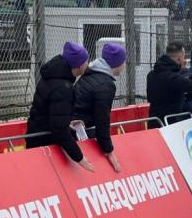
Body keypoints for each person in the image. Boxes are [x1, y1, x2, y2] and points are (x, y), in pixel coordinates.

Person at [26, 42, 94, 171]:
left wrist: (67, 121)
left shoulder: (53, 76)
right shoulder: (63, 87)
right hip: (45, 145)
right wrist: (79, 157)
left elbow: (49, 113)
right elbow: (58, 129)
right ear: (79, 65)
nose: (88, 64)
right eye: (86, 61)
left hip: (36, 137)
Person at [71, 43, 127, 172]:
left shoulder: (91, 73)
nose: (124, 65)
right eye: (123, 61)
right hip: (77, 132)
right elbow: (102, 119)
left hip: (73, 126)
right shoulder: (106, 85)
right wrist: (108, 150)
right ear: (117, 64)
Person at [147, 42, 192, 125]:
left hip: (154, 123)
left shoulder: (151, 75)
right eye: (183, 57)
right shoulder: (173, 78)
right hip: (169, 126)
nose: (184, 60)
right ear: (179, 58)